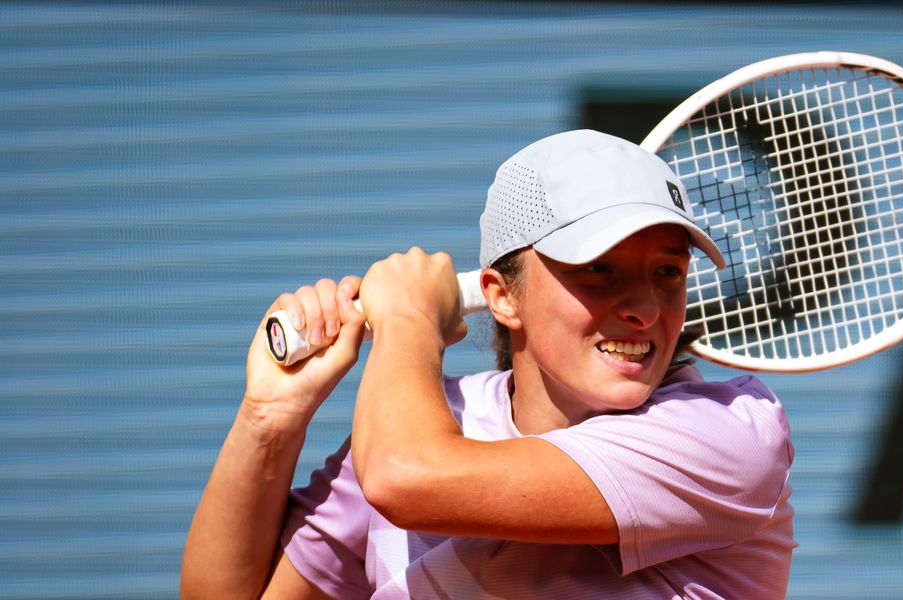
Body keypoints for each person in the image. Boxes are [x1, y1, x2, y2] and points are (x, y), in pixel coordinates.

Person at [181, 129, 795, 599]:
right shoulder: (420, 420)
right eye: (599, 270)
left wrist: (409, 322)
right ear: (503, 296)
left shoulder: (730, 434)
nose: (644, 308)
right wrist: (270, 419)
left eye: (667, 272)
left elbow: (406, 477)